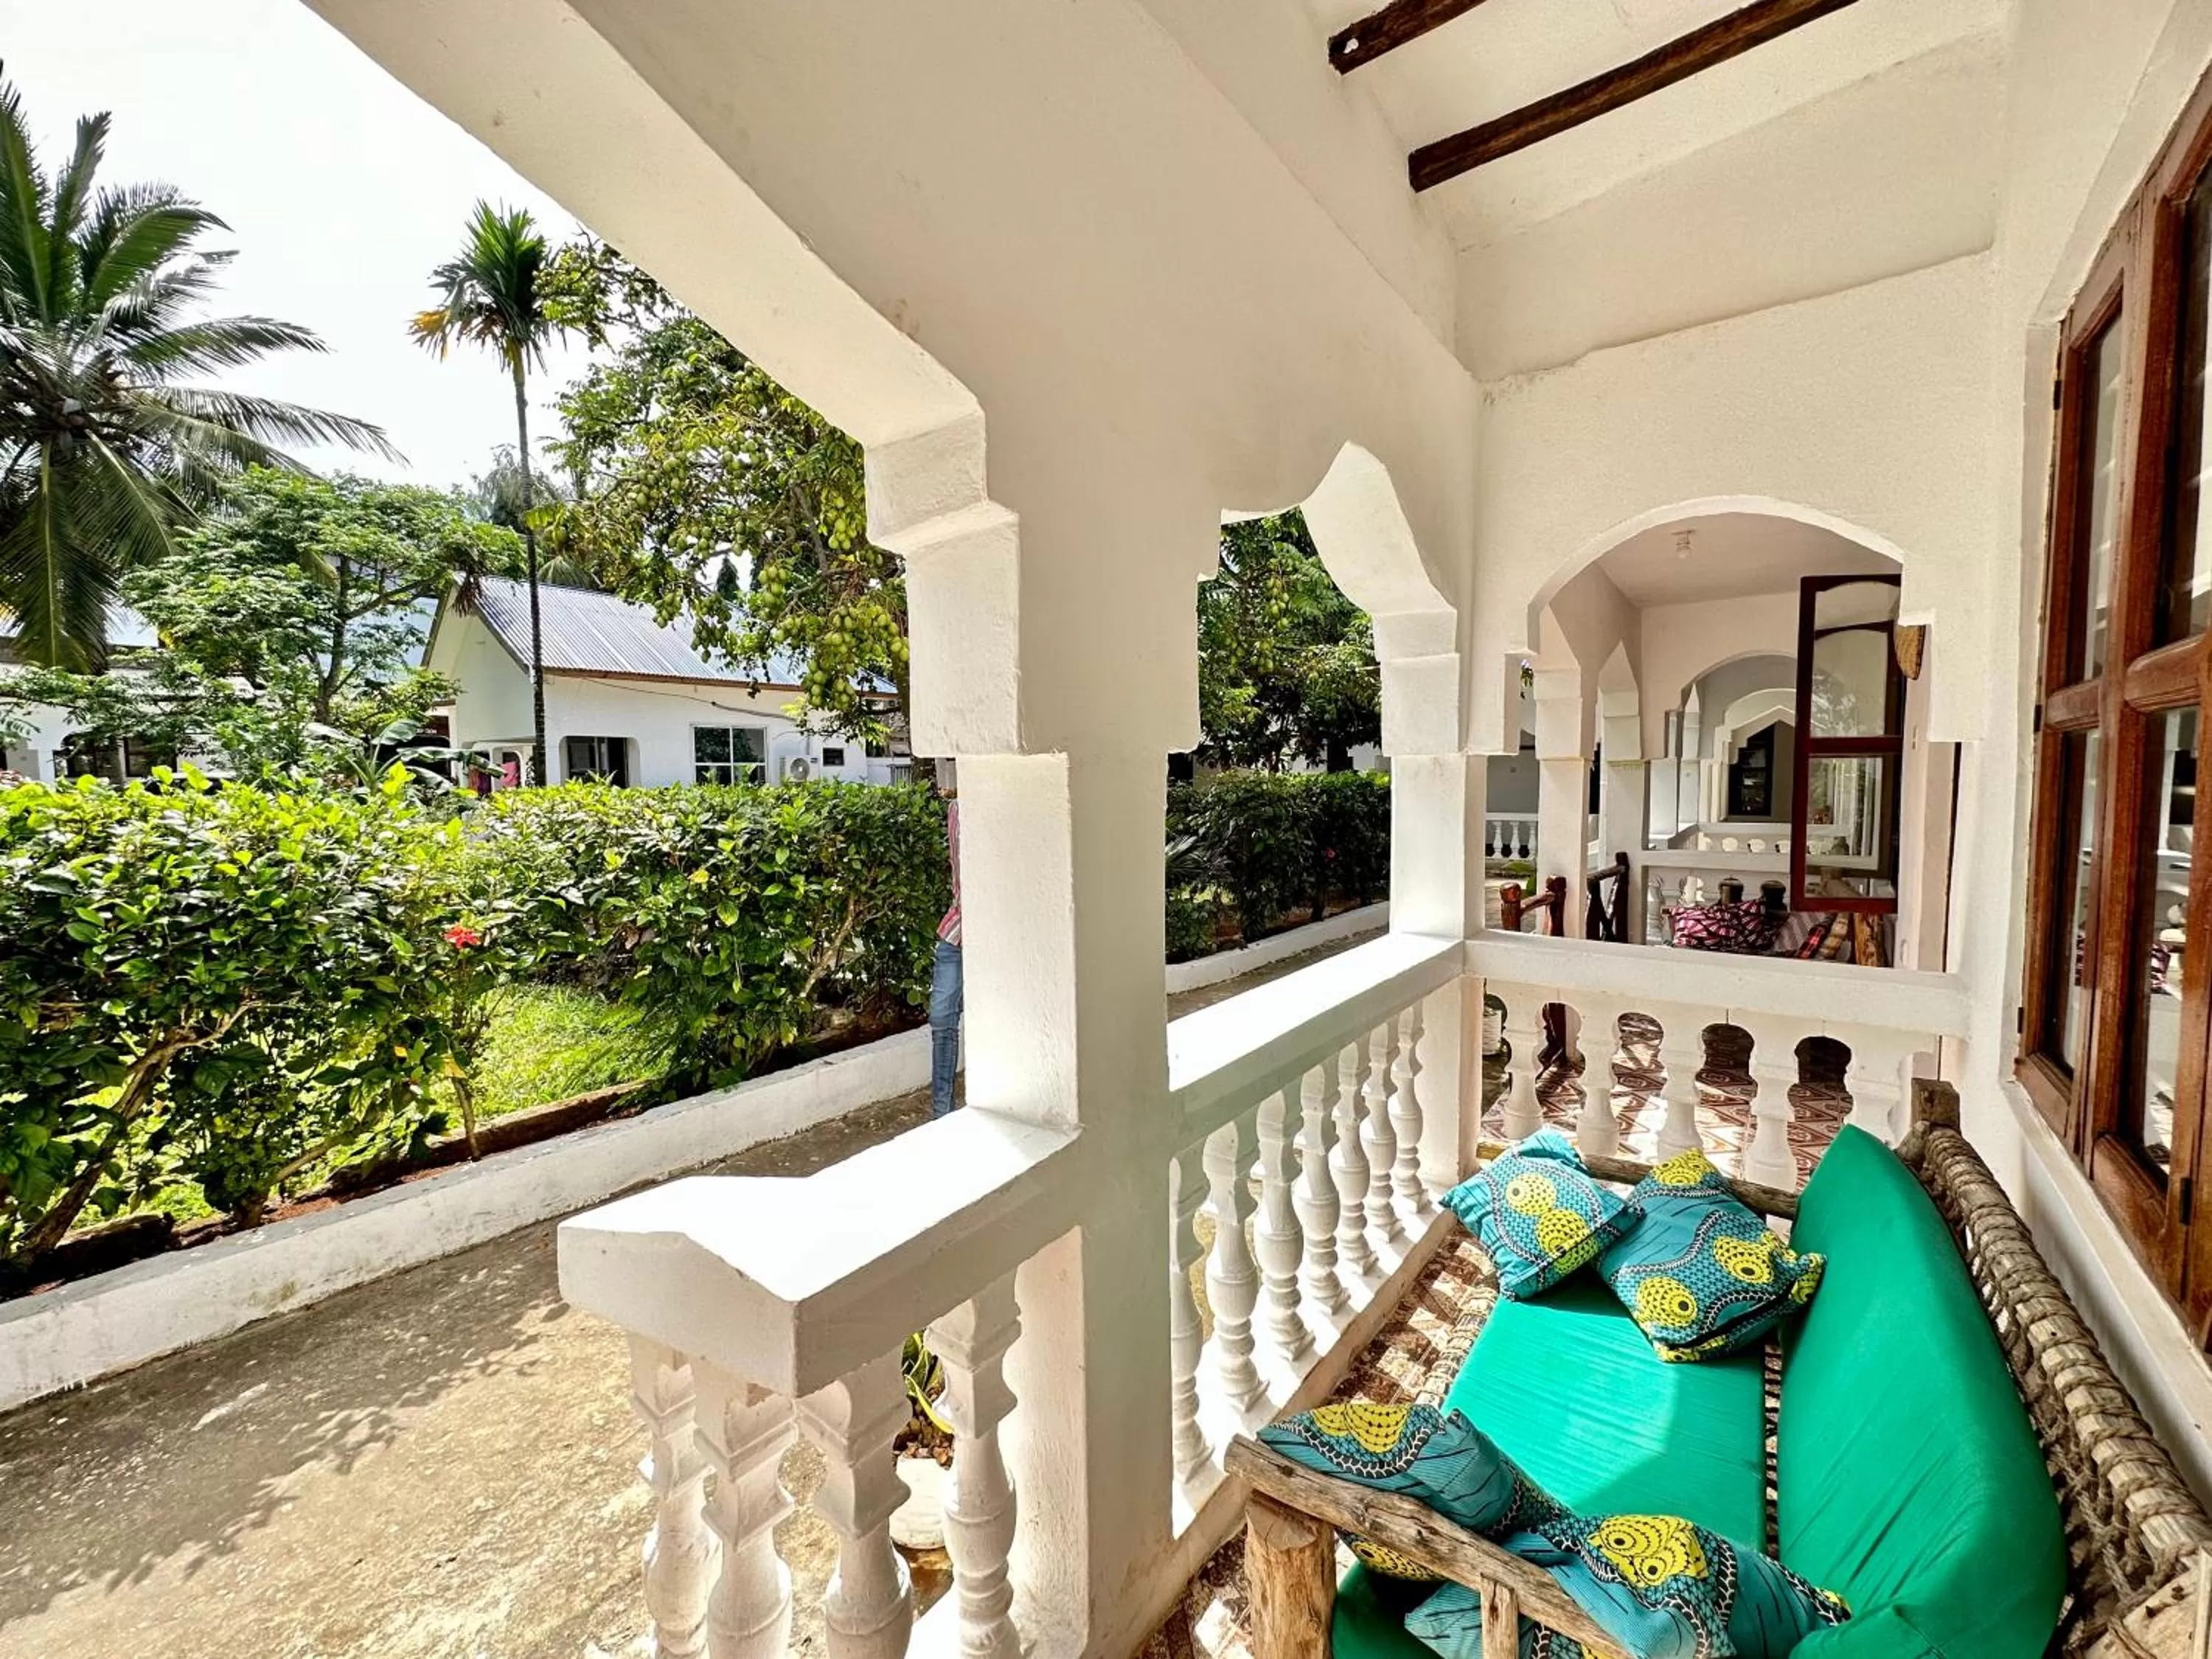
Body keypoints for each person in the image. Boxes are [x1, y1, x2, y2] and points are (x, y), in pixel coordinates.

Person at [930, 765, 962, 1117]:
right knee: (941, 1019)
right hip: (956, 930)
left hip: (993, 934)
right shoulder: (956, 811)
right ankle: (942, 1114)